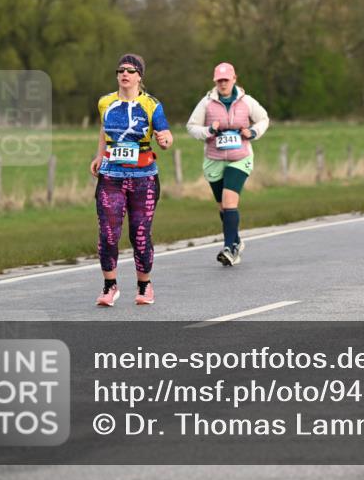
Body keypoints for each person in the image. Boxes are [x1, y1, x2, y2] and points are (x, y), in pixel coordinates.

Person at [89, 54, 173, 307]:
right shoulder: (105, 102)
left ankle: (144, 286)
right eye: (121, 70)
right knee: (108, 234)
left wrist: (165, 140)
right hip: (111, 177)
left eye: (131, 70)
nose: (125, 74)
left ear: (140, 77)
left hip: (143, 178)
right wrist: (98, 155)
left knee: (140, 235)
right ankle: (109, 286)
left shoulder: (151, 105)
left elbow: (166, 132)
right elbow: (104, 129)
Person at [186, 62, 270, 267]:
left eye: (226, 79)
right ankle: (236, 239)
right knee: (223, 206)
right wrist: (208, 131)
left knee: (230, 200)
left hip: (240, 158)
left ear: (234, 79)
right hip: (214, 159)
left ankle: (229, 249)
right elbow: (191, 126)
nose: (223, 83)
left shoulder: (246, 101)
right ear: (215, 82)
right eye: (219, 80)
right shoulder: (206, 102)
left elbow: (263, 119)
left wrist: (252, 132)